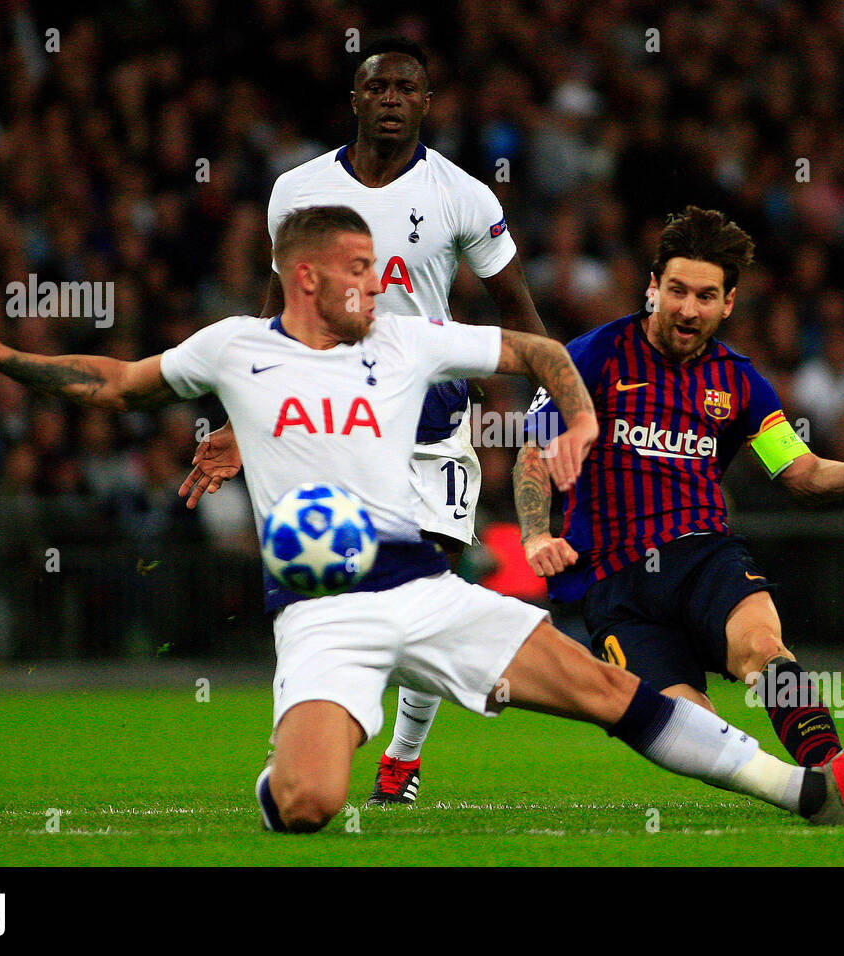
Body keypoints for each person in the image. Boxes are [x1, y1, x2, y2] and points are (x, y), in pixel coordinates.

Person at [0, 204, 844, 833]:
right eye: (361, 268)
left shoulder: (404, 338)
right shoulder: (234, 349)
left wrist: (582, 418)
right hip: (322, 612)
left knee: (614, 697)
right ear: (307, 277)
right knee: (311, 804)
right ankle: (292, 771)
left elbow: (537, 352)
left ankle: (808, 787)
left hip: (431, 589)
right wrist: (1, 358)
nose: (380, 281)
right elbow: (115, 385)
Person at [181, 38, 548, 806]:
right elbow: (274, 314)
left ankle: (401, 760)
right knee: (321, 588)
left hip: (431, 422)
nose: (390, 98)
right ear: (353, 99)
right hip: (330, 416)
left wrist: (546, 397)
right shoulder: (296, 190)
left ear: (426, 103)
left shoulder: (464, 195)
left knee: (432, 583)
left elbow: (516, 310)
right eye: (376, 85)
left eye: (406, 87)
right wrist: (241, 417)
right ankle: (302, 734)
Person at [516, 206, 844, 766]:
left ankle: (832, 771)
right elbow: (534, 452)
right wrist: (536, 535)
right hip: (615, 583)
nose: (689, 309)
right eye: (677, 290)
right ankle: (793, 784)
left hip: (704, 557)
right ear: (652, 288)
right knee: (692, 729)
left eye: (706, 295)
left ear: (728, 302)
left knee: (764, 648)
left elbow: (804, 475)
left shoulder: (740, 382)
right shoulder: (591, 357)